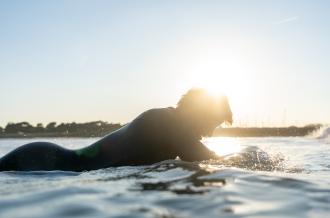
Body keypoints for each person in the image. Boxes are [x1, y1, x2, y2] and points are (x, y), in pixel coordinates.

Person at [0, 88, 232, 172]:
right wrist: (253, 158)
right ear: (201, 112)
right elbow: (202, 157)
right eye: (214, 124)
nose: (211, 133)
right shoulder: (168, 120)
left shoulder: (169, 121)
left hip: (50, 162)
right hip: (47, 161)